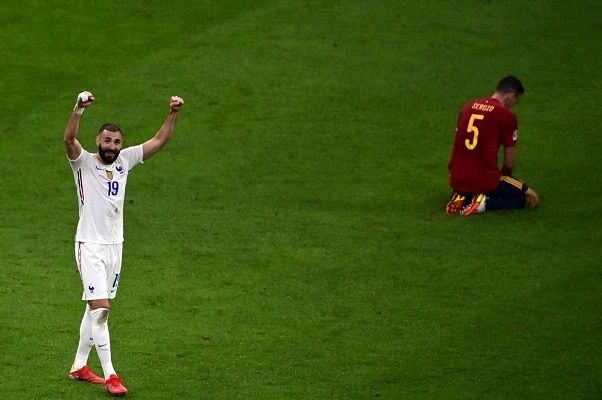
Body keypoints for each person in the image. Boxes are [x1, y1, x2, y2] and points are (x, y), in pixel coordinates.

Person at [64, 91, 184, 396]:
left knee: (95, 306)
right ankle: (111, 376)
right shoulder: (83, 163)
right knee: (101, 310)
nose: (112, 147)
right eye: (107, 141)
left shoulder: (125, 160)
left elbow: (159, 140)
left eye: (117, 142)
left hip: (115, 246)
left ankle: (79, 366)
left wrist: (173, 112)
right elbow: (68, 139)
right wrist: (78, 108)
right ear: (97, 141)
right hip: (89, 244)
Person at [446, 76, 539, 215]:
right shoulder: (507, 116)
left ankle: (463, 196)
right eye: (515, 101)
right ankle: (483, 203)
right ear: (511, 96)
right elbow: (508, 164)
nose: (512, 105)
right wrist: (503, 180)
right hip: (484, 179)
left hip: (456, 178)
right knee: (532, 198)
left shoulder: (467, 107)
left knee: (476, 181)